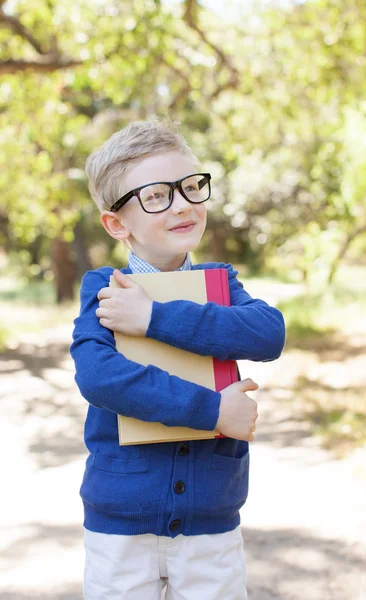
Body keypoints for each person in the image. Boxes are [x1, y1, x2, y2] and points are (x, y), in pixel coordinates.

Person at [70, 120, 285, 600]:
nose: (183, 203)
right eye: (156, 195)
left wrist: (154, 318)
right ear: (117, 223)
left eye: (190, 186)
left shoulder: (221, 283)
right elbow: (101, 378)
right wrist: (215, 412)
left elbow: (269, 334)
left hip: (212, 515)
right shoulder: (104, 289)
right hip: (120, 520)